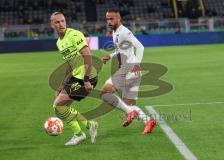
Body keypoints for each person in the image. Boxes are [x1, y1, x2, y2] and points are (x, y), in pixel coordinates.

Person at [100, 8, 156, 134]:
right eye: (107, 19)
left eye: (111, 18)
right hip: (132, 71)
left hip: (129, 68)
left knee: (105, 93)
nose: (109, 21)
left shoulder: (125, 32)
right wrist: (110, 56)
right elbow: (121, 50)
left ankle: (131, 113)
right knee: (127, 105)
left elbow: (140, 47)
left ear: (119, 19)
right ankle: (148, 121)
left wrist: (137, 64)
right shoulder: (116, 33)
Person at [50, 12, 98, 146]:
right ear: (52, 25)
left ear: (66, 22)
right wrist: (61, 85)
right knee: (62, 107)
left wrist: (87, 79)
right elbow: (71, 64)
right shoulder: (59, 42)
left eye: (62, 21)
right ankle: (89, 125)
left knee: (58, 106)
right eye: (57, 22)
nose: (60, 24)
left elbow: (88, 56)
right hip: (76, 76)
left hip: (86, 77)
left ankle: (79, 134)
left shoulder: (74, 34)